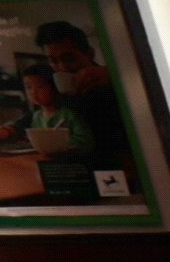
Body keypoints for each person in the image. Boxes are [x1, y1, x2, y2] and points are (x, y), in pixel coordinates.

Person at [34, 19, 131, 173]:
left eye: (69, 58)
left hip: (120, 166)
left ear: (90, 53)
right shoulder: (59, 89)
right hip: (77, 166)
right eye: (53, 61)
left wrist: (115, 76)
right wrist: (10, 129)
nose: (62, 67)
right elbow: (43, 112)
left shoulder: (114, 79)